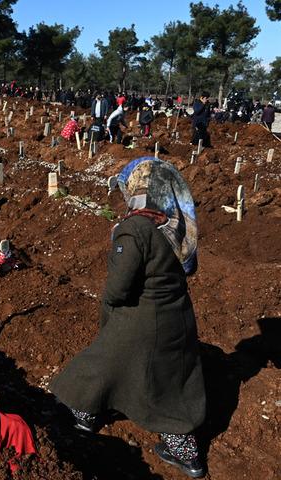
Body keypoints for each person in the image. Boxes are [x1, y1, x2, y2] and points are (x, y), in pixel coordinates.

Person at [51, 157, 205, 479]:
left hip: (144, 321)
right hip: (178, 319)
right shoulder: (173, 225)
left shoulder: (134, 228)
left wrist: (108, 314)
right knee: (169, 385)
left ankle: (84, 414)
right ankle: (187, 453)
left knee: (97, 365)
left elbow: (118, 289)